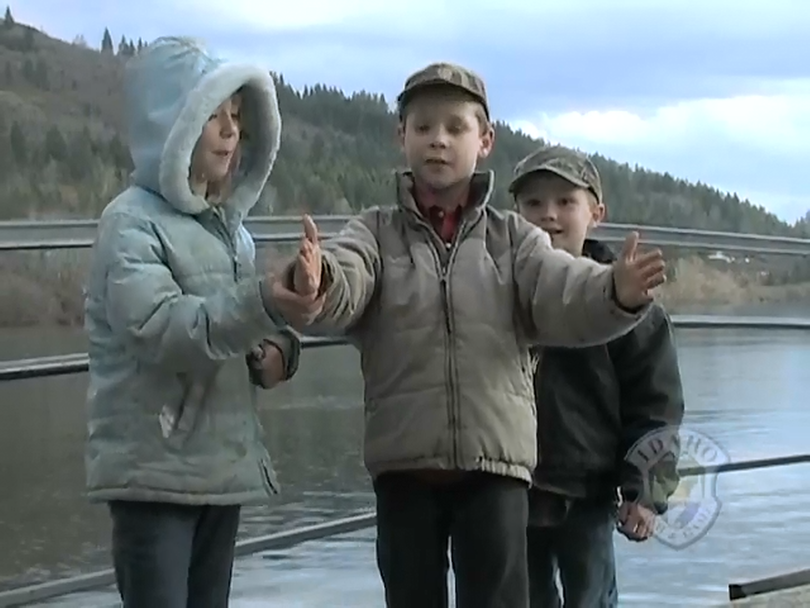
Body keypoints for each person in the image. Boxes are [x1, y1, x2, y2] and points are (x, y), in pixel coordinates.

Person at [272, 63, 669, 608]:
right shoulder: (374, 231)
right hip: (404, 467)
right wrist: (315, 282)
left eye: (456, 128)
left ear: (484, 142)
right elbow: (347, 280)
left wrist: (615, 291)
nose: (439, 140)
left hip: (496, 472)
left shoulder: (515, 238)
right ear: (401, 137)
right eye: (423, 127)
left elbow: (564, 292)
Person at [83, 37, 318, 608]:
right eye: (211, 116)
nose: (229, 130)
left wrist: (279, 348)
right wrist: (263, 301)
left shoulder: (231, 231)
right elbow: (164, 330)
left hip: (219, 470)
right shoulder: (130, 224)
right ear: (171, 126)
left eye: (235, 116)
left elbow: (245, 328)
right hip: (154, 475)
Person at [509, 144, 686, 608]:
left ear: (596, 213)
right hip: (508, 487)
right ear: (513, 214)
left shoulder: (629, 305)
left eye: (565, 202)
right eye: (533, 204)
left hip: (588, 492)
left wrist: (646, 493)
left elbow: (656, 405)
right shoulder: (496, 290)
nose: (548, 215)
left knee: (590, 599)